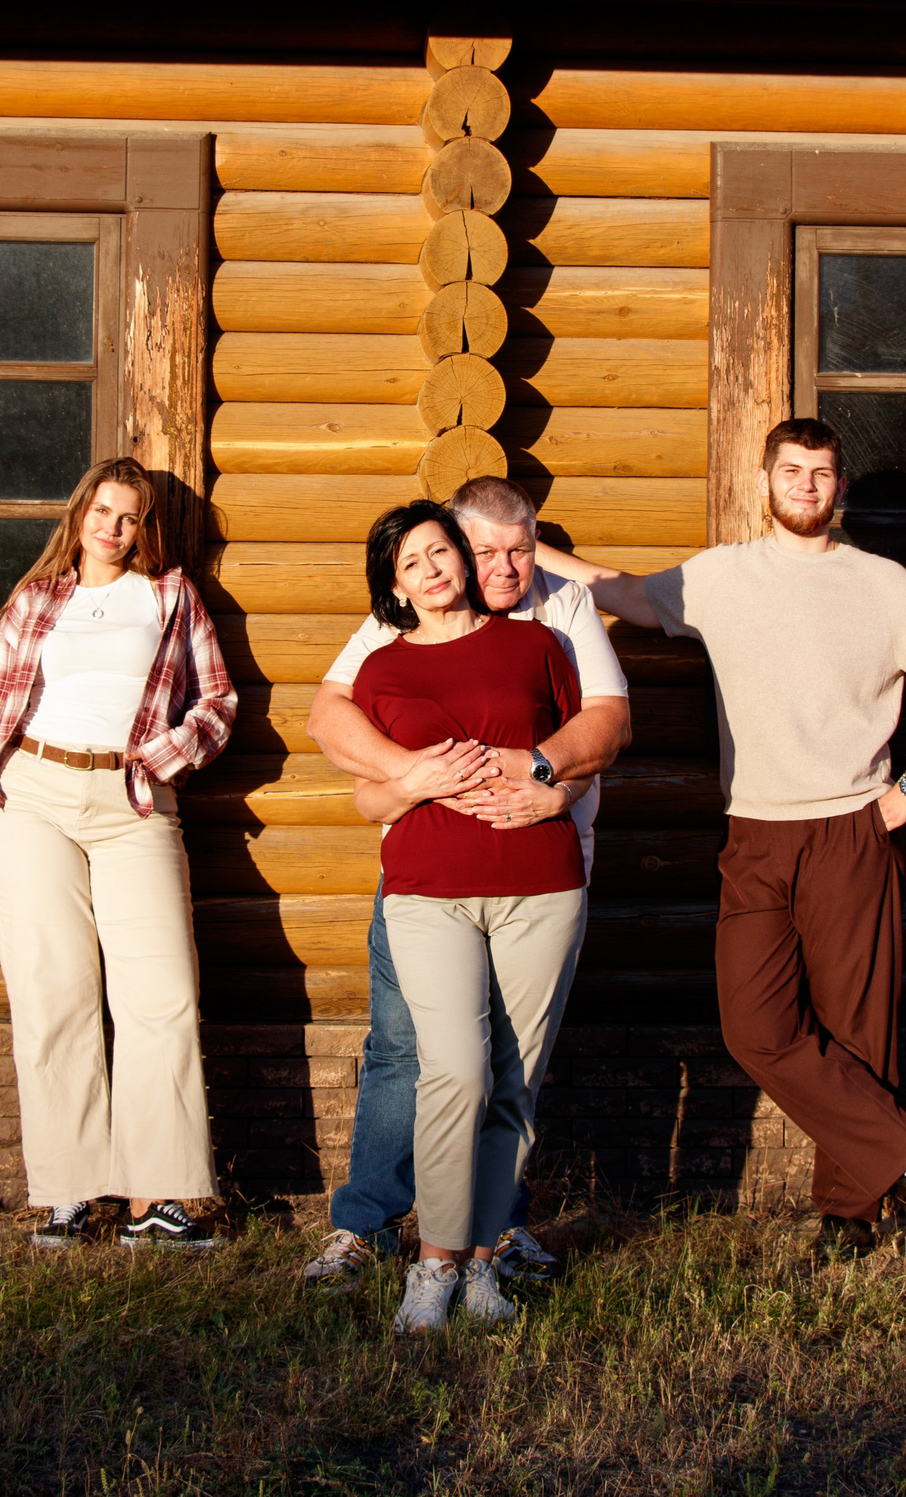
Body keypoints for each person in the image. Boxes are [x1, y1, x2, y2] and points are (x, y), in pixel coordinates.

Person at [538, 419, 906, 1258]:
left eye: (822, 473)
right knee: (755, 1026)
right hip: (754, 830)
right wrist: (525, 546)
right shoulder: (722, 576)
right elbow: (631, 593)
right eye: (793, 471)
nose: (808, 486)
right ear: (765, 481)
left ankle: (851, 1217)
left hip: (851, 826)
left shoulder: (881, 584)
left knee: (856, 1024)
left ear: (839, 488)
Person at [299, 476, 630, 1294]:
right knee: (411, 1050)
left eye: (520, 548)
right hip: (427, 873)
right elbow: (330, 713)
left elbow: (609, 720)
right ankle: (367, 1224)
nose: (503, 565)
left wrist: (547, 773)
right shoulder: (403, 616)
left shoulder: (558, 613)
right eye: (485, 550)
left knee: (510, 1064)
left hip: (537, 867)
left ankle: (489, 1235)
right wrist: (415, 775)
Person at [0, 456, 237, 1251]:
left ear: (145, 528)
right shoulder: (37, 600)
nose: (110, 527)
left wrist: (162, 757)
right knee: (53, 994)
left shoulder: (171, 597)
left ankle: (155, 1198)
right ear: (78, 514)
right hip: (33, 795)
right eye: (100, 510)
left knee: (161, 994)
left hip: (133, 802)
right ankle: (70, 1192)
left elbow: (216, 703)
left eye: (128, 516)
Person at [345, 500, 591, 1333]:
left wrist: (548, 786)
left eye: (440, 551)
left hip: (540, 885)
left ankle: (483, 1259)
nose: (433, 568)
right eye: (411, 562)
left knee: (518, 1079)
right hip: (426, 890)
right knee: (455, 1068)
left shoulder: (535, 644)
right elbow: (366, 794)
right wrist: (413, 781)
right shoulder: (380, 672)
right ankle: (434, 1259)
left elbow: (581, 761)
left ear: (463, 557)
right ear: (396, 587)